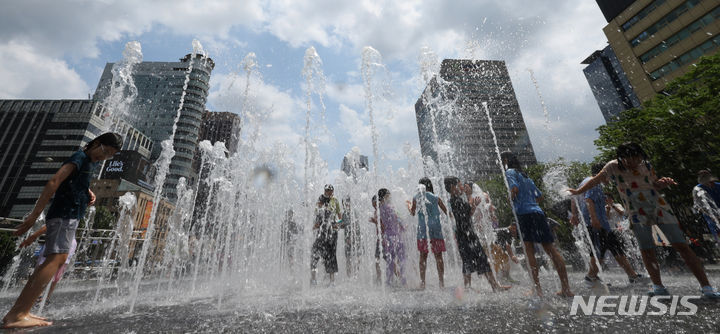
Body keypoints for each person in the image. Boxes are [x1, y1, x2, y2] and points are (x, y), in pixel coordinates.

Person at [568, 142, 720, 299]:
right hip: (636, 211)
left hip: (659, 207)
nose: (634, 163)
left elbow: (653, 183)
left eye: (637, 158)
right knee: (647, 250)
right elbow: (595, 180)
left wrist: (662, 182)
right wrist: (578, 191)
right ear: (621, 158)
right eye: (629, 160)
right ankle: (658, 287)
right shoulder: (612, 166)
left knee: (681, 245)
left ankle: (706, 287)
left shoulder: (646, 164)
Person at [3, 132, 122, 329]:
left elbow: (73, 183)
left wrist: (87, 191)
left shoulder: (88, 163)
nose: (105, 157)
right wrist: (34, 216)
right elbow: (54, 182)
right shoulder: (80, 157)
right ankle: (18, 313)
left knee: (54, 260)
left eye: (110, 155)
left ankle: (20, 310)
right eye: (105, 151)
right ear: (97, 143)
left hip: (68, 216)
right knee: (55, 259)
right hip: (63, 215)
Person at [501, 152, 573, 297]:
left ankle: (537, 289)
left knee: (529, 250)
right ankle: (566, 288)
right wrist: (530, 202)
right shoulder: (526, 176)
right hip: (538, 213)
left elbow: (514, 189)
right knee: (551, 249)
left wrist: (511, 200)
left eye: (503, 160)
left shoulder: (509, 172)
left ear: (507, 160)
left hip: (524, 214)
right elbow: (540, 196)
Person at [569, 163, 647, 287]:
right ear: (602, 173)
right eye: (610, 176)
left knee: (616, 249)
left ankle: (632, 276)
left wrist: (574, 215)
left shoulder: (585, 182)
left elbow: (574, 198)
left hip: (601, 223)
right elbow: (589, 201)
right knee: (599, 251)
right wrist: (594, 219)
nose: (610, 179)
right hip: (596, 223)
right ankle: (590, 277)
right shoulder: (593, 182)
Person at [444, 177, 510, 292]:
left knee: (470, 261)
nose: (462, 188)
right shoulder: (455, 200)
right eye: (459, 185)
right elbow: (465, 213)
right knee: (478, 259)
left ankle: (470, 287)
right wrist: (470, 199)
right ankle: (491, 286)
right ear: (452, 187)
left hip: (465, 234)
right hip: (466, 235)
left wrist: (473, 206)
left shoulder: (457, 200)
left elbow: (468, 214)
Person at [406, 177, 448, 289]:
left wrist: (408, 205)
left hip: (423, 230)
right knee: (438, 256)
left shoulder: (416, 197)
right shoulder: (435, 197)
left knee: (423, 256)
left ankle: (423, 282)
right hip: (436, 229)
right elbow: (446, 211)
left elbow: (412, 213)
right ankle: (441, 282)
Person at [19, 226, 77, 304]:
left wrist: (33, 236)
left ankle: (37, 297)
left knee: (41, 269)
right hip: (68, 244)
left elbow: (48, 226)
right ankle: (45, 298)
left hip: (57, 243)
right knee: (56, 274)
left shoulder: (60, 215)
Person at [310, 184, 342, 285]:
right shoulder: (320, 201)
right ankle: (314, 279)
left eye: (330, 190)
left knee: (331, 255)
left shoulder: (335, 201)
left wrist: (338, 224)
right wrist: (314, 226)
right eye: (326, 190)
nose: (328, 192)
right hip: (322, 232)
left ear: (332, 191)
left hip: (332, 232)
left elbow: (339, 215)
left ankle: (332, 281)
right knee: (315, 253)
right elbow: (316, 217)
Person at [378, 188, 406, 286]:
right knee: (401, 258)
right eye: (388, 195)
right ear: (385, 196)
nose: (390, 197)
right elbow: (397, 218)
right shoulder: (390, 207)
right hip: (395, 236)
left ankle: (388, 282)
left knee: (390, 261)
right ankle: (403, 281)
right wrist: (403, 226)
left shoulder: (380, 208)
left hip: (387, 236)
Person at [692, 169, 720, 245]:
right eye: (701, 176)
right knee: (718, 233)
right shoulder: (697, 189)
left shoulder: (718, 186)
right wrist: (713, 216)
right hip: (710, 216)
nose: (703, 177)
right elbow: (698, 206)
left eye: (705, 175)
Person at [341, 196, 362, 277]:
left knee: (357, 256)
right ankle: (349, 276)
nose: (345, 205)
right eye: (343, 204)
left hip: (355, 238)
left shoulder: (354, 212)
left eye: (346, 203)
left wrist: (351, 237)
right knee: (348, 258)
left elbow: (355, 225)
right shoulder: (344, 214)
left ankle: (356, 274)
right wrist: (336, 224)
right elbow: (344, 224)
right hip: (347, 239)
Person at [368, 195, 382, 284]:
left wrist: (375, 221)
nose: (373, 205)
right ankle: (379, 277)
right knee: (377, 258)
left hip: (383, 238)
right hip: (379, 238)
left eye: (374, 203)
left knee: (380, 258)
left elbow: (384, 224)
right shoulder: (376, 211)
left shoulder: (382, 211)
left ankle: (381, 277)